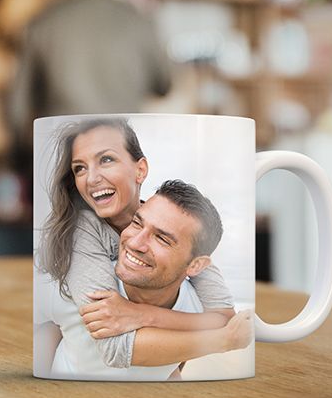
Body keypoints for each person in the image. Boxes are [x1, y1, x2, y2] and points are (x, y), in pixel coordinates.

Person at [35, 117, 244, 378]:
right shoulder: (82, 232)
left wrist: (139, 314)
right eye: (79, 168)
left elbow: (224, 318)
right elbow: (113, 344)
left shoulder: (174, 222)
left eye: (106, 159)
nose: (91, 179)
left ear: (140, 170)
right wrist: (220, 341)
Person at [53, 180, 252, 379]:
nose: (135, 242)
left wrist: (141, 314)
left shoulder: (198, 301)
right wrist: (223, 341)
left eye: (162, 239)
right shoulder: (87, 283)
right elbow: (116, 349)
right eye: (137, 223)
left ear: (196, 266)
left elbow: (223, 322)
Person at [9, 0, 172, 151]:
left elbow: (17, 106)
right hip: (119, 157)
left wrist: (22, 157)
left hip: (57, 157)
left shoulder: (44, 20)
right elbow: (164, 83)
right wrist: (150, 15)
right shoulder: (138, 20)